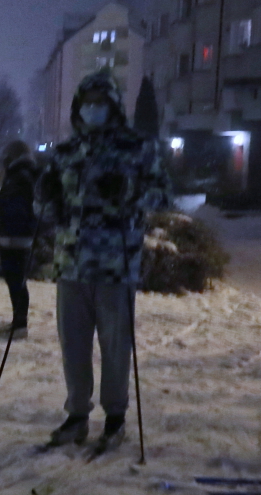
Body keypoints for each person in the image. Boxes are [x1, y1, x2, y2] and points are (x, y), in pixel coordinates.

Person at [36, 69, 171, 452]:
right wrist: (44, 196)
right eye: (87, 103)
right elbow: (44, 209)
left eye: (100, 103)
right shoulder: (64, 153)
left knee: (115, 347)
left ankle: (115, 418)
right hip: (72, 264)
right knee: (73, 345)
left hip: (115, 265)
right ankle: (77, 414)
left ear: (112, 106)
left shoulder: (137, 148)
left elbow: (163, 196)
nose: (93, 109)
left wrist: (129, 192)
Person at [0, 140, 39, 340]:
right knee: (14, 280)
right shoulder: (21, 175)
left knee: (16, 280)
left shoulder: (20, 177)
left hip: (16, 235)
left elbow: (13, 207)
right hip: (17, 235)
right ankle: (18, 321)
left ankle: (20, 324)